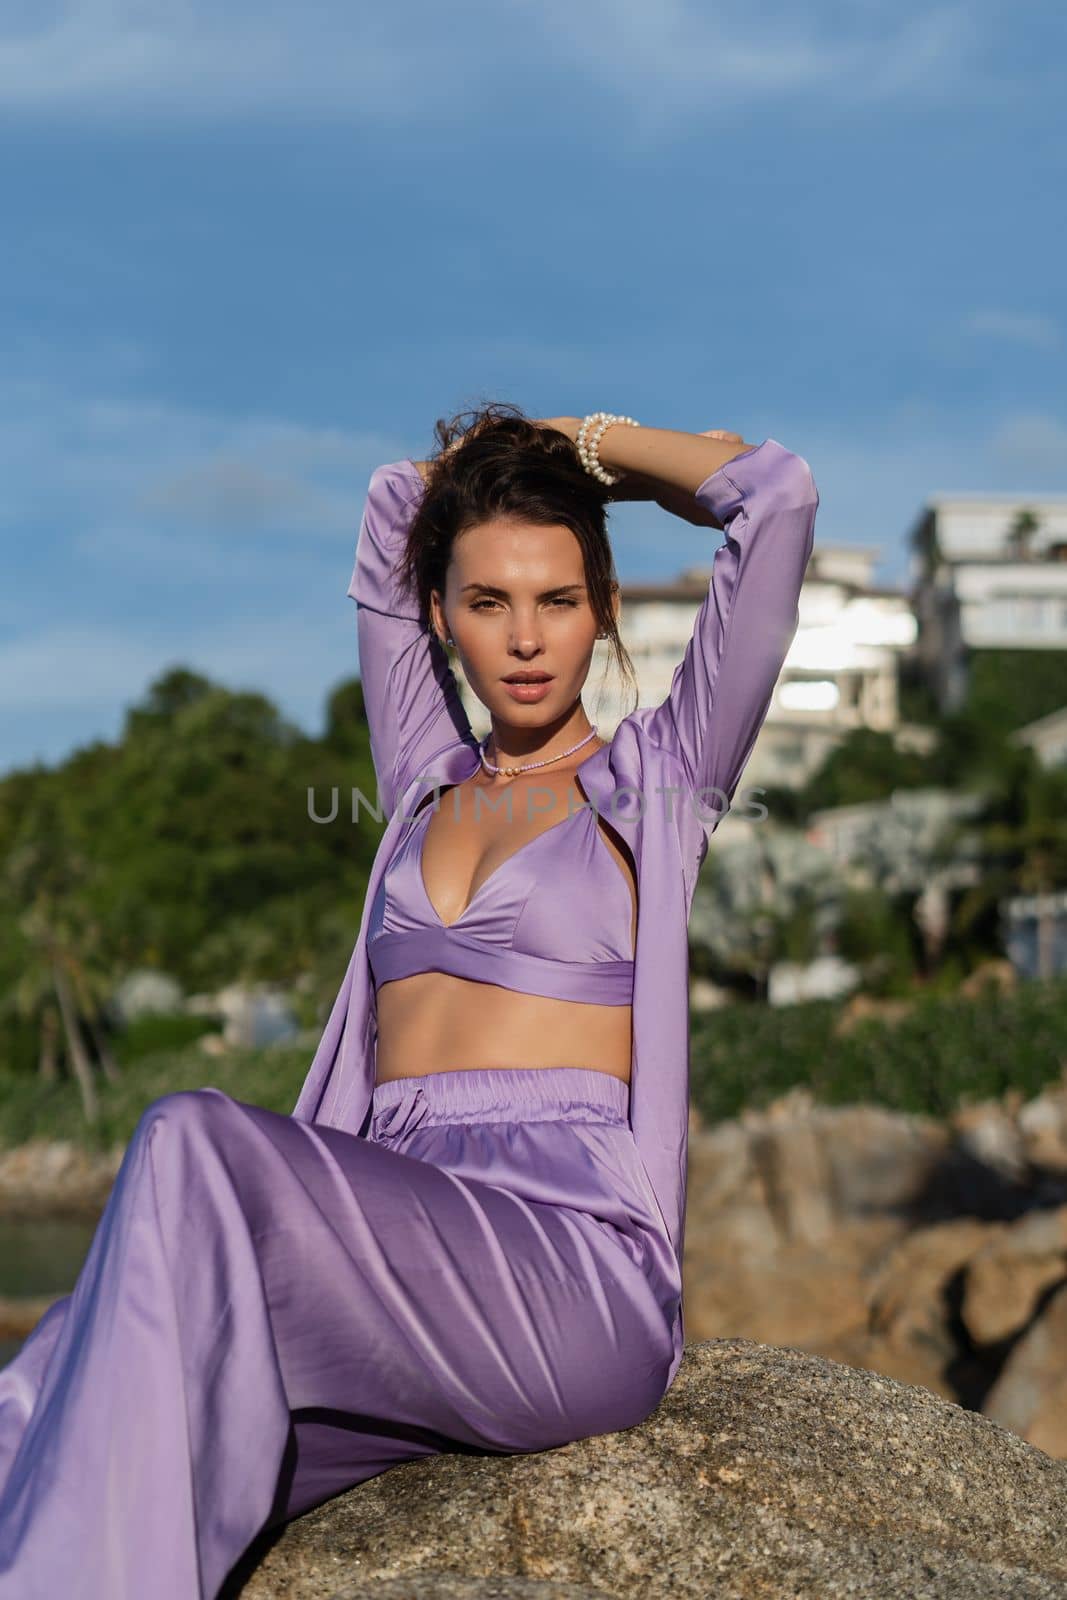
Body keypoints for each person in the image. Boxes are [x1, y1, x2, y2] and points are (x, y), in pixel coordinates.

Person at [0, 404, 819, 1598]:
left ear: (605, 611)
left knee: (187, 1139)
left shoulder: (658, 782)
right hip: (383, 1245)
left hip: (567, 1264)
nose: (526, 639)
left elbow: (776, 497)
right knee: (56, 1381)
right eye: (486, 602)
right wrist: (482, 472)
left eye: (558, 599)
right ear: (438, 616)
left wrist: (577, 447)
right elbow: (394, 503)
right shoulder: (422, 785)